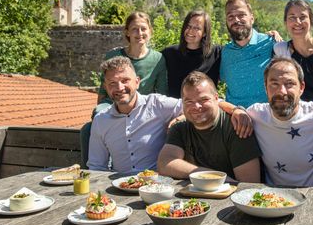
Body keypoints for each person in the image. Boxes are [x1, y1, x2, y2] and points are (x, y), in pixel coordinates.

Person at [87, 56, 252, 173]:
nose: (119, 88)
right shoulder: (101, 120)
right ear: (106, 87)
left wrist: (235, 110)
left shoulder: (157, 104)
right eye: (112, 83)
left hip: (159, 186)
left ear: (137, 81)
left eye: (125, 81)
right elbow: (96, 167)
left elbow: (197, 103)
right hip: (118, 186)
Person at [81, 12, 168, 167]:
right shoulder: (113, 54)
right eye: (134, 29)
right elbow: (104, 88)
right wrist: (99, 111)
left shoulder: (158, 59)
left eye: (143, 29)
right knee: (93, 124)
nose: (139, 33)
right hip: (112, 103)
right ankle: (91, 169)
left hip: (141, 108)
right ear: (127, 32)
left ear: (150, 31)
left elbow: (162, 92)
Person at [246, 57, 313, 186]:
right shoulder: (255, 114)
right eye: (274, 84)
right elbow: (214, 101)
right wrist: (236, 110)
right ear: (265, 87)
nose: (281, 91)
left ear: (301, 87)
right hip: (272, 201)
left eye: (289, 84)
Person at [157, 71, 261, 182]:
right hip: (192, 197)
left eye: (203, 100)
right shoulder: (180, 128)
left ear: (217, 98)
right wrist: (210, 176)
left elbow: (249, 184)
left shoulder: (237, 126)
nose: (196, 106)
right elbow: (165, 163)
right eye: (189, 101)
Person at [220, 0, 278, 108]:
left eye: (241, 15)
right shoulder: (225, 52)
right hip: (234, 119)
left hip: (266, 119)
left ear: (252, 18)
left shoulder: (271, 43)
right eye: (231, 17)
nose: (236, 20)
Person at [161, 10, 221, 98]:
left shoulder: (216, 53)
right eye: (188, 26)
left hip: (204, 109)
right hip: (176, 109)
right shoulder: (169, 53)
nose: (190, 31)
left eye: (197, 28)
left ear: (204, 32)